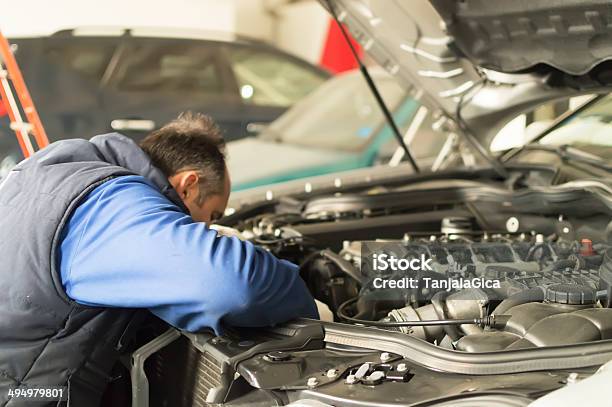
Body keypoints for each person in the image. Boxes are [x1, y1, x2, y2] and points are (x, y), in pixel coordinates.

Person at [0, 112, 318, 406]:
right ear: (187, 185)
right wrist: (312, 312)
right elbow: (232, 284)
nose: (206, 229)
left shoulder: (44, 174)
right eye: (211, 216)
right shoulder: (108, 203)